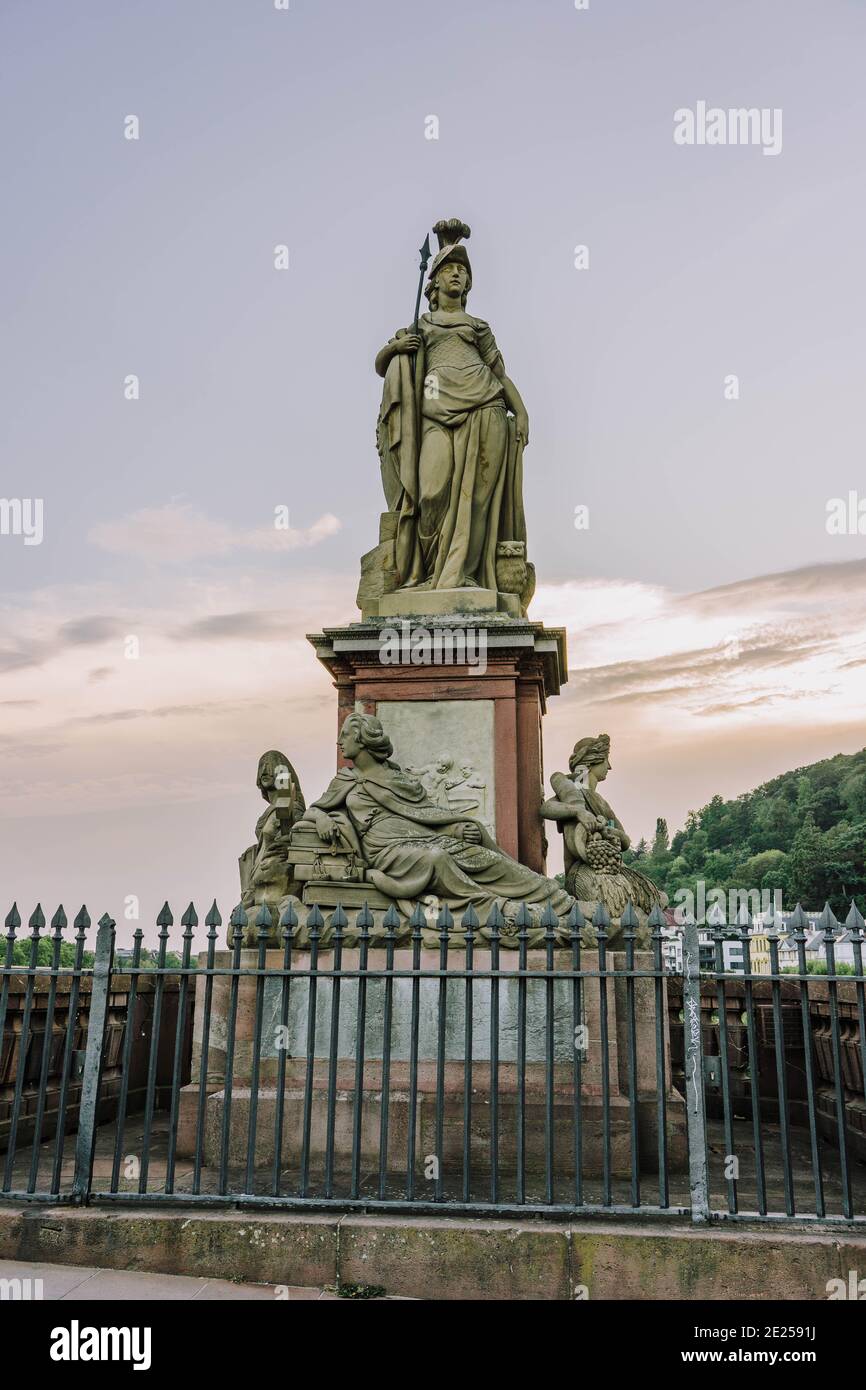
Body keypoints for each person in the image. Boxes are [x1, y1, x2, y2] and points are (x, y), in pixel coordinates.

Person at [300, 713, 574, 923]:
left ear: (362, 740)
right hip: (385, 851)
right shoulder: (345, 779)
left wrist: (455, 830)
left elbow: (425, 812)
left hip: (424, 838)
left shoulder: (396, 778)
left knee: (481, 856)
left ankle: (557, 899)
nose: (339, 741)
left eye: (345, 735)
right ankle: (497, 907)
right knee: (436, 858)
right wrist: (321, 818)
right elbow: (313, 809)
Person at [375, 219, 528, 592]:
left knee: (475, 499)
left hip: (484, 407)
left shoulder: (478, 326)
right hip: (432, 413)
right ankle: (428, 575)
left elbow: (500, 373)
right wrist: (397, 348)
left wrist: (520, 410)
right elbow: (382, 365)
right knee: (431, 491)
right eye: (449, 270)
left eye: (462, 271)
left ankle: (464, 574)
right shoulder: (421, 324)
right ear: (436, 282)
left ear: (468, 283)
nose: (457, 275)